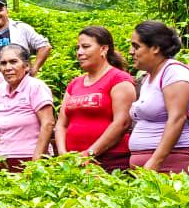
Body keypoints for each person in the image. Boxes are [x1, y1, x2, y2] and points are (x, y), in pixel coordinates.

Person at [55, 26, 135, 171]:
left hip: (110, 159)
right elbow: (61, 123)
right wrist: (62, 153)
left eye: (86, 47)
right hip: (73, 162)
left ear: (104, 49)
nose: (79, 52)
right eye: (78, 48)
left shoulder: (119, 79)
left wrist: (90, 153)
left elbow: (122, 122)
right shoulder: (75, 84)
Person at [127, 21, 189, 173]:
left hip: (171, 162)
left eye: (136, 46)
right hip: (149, 165)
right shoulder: (149, 77)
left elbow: (177, 118)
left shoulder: (174, 74)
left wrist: (155, 160)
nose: (130, 52)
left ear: (155, 47)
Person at [0, 44, 54, 171]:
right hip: (5, 161)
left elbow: (48, 123)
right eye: (3, 63)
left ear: (27, 65)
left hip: (30, 159)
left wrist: (36, 163)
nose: (8, 68)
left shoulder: (36, 87)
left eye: (13, 62)